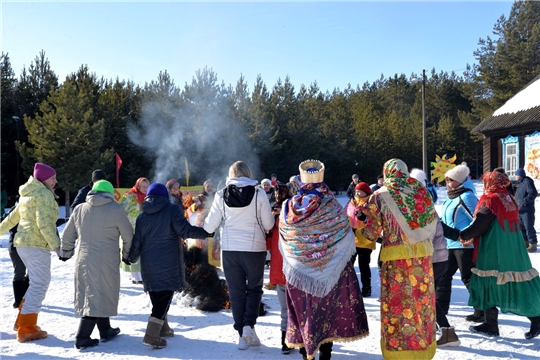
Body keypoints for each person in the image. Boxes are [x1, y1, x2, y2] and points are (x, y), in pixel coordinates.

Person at [280, 160, 369, 360]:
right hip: (328, 271)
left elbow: (284, 236)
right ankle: (325, 356)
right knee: (326, 313)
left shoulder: (289, 206)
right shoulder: (331, 204)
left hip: (298, 271)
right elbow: (345, 234)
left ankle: (305, 354)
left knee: (304, 313)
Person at [358, 158, 437, 359]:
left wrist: (362, 225)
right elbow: (433, 220)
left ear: (387, 173)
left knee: (398, 306)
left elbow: (372, 232)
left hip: (396, 260)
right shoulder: (421, 191)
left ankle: (399, 352)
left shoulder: (380, 195)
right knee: (421, 304)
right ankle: (423, 349)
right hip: (422, 257)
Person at [128, 183, 211, 349]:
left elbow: (137, 241)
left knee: (157, 296)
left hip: (148, 263)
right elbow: (185, 230)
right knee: (164, 296)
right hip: (168, 261)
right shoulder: (172, 209)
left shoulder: (142, 216)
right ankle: (151, 335)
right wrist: (206, 232)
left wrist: (130, 257)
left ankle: (163, 328)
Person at [459, 171, 540, 339]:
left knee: (489, 279)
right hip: (512, 246)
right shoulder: (508, 197)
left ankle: (494, 324)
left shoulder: (490, 200)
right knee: (516, 281)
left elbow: (481, 224)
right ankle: (496, 323)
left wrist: (463, 235)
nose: (484, 185)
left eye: (486, 182)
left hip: (494, 247)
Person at [203, 161, 274, 350]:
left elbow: (210, 226)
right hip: (254, 248)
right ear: (248, 173)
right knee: (254, 289)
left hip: (230, 249)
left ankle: (241, 333)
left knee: (235, 292)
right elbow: (268, 225)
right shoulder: (259, 192)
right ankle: (249, 325)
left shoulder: (221, 194)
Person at [60, 180, 134, 350]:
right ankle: (82, 337)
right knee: (98, 295)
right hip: (106, 260)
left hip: (83, 258)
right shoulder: (116, 210)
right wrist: (128, 255)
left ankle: (105, 329)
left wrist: (66, 252)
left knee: (94, 292)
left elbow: (68, 233)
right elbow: (128, 235)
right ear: (109, 193)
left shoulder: (80, 209)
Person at [0, 163, 60, 343]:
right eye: (52, 178)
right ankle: (27, 328)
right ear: (43, 179)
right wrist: (57, 246)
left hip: (22, 245)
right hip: (36, 245)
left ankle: (21, 322)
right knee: (40, 284)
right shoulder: (43, 194)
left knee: (35, 283)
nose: (55, 181)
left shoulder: (27, 194)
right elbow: (44, 223)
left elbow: (12, 218)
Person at [410, 169, 460, 347]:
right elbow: (442, 229)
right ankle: (435, 329)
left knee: (426, 297)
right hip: (440, 258)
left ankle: (447, 332)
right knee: (428, 297)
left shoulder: (418, 208)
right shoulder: (425, 204)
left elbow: (423, 237)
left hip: (431, 260)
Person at [438, 164, 480, 321]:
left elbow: (477, 220)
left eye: (452, 180)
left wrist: (467, 236)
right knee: (443, 276)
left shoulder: (467, 196)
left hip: (464, 246)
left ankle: (481, 310)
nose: (448, 183)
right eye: (447, 180)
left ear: (461, 181)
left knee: (468, 278)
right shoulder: (451, 196)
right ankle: (440, 310)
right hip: (449, 243)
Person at [266, 183, 293, 354]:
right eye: (275, 192)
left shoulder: (292, 210)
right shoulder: (276, 210)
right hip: (281, 266)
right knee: (287, 308)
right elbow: (267, 239)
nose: (277, 195)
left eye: (279, 192)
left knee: (292, 308)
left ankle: (292, 339)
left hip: (290, 265)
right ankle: (286, 340)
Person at [345, 181, 376, 297]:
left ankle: (366, 288)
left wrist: (363, 218)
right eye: (357, 191)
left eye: (361, 191)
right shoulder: (352, 202)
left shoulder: (371, 203)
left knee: (364, 266)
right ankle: (347, 288)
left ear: (366, 192)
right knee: (348, 266)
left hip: (365, 240)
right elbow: (345, 215)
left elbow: (375, 220)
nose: (358, 193)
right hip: (352, 239)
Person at [120, 177, 149, 283]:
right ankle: (136, 276)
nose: (145, 189)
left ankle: (140, 275)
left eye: (147, 187)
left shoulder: (147, 197)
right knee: (134, 252)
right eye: (143, 186)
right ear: (138, 186)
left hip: (144, 229)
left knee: (142, 252)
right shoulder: (130, 196)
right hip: (131, 228)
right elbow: (121, 210)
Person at [514, 168, 538, 253]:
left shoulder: (527, 182)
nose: (515, 176)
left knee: (528, 227)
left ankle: (533, 245)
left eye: (516, 175)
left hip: (527, 210)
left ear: (519, 175)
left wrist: (525, 201)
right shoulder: (520, 184)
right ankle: (525, 243)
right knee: (522, 227)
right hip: (520, 210)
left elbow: (533, 193)